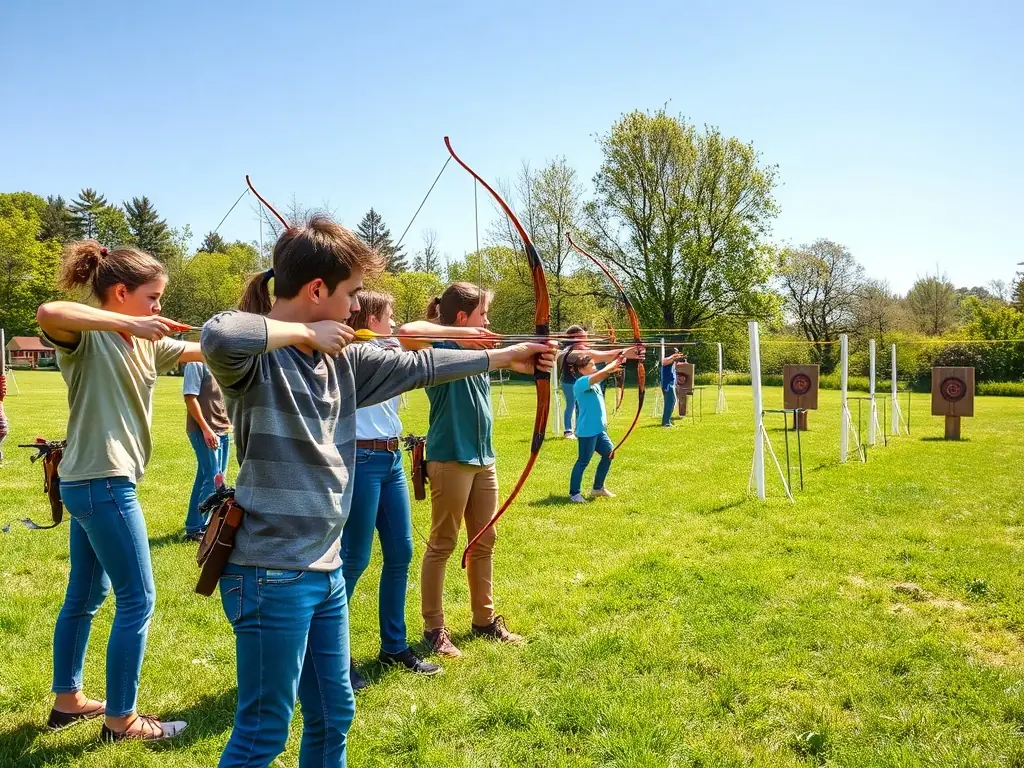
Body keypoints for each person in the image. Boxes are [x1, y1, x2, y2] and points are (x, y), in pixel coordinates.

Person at [201, 217, 555, 768]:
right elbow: (220, 333)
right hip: (270, 571)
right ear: (317, 289)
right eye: (348, 294)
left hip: (322, 568)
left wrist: (506, 356)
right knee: (263, 732)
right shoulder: (257, 360)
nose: (352, 307)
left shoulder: (346, 360)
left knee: (333, 715)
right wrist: (302, 333)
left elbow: (422, 365)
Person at [36, 240, 202, 742]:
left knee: (86, 594)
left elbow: (206, 348)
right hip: (102, 482)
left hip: (92, 483)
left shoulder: (149, 341)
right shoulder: (87, 337)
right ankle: (122, 719)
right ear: (121, 293)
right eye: (152, 298)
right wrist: (126, 323)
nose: (158, 309)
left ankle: (68, 701)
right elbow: (49, 311)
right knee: (138, 598)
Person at [341, 290, 454, 691]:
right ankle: (336, 657)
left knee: (401, 553)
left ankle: (393, 645)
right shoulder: (352, 352)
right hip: (360, 458)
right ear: (370, 320)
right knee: (353, 559)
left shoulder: (386, 350)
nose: (393, 324)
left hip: (389, 458)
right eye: (387, 317)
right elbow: (400, 339)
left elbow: (412, 346)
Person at [558, 326, 638, 438]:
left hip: (572, 381)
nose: (586, 338)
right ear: (575, 337)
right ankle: (569, 431)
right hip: (571, 382)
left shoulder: (572, 349)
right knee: (573, 405)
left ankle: (574, 430)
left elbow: (597, 352)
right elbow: (603, 355)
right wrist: (625, 351)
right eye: (583, 336)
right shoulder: (576, 351)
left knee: (577, 405)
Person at [568, 351, 626, 503]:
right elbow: (602, 374)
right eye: (591, 365)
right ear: (581, 370)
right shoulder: (581, 383)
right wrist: (614, 363)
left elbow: (604, 373)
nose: (594, 367)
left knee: (609, 454)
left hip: (599, 430)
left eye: (594, 364)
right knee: (583, 461)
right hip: (587, 430)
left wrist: (617, 362)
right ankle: (574, 494)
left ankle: (597, 488)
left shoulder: (594, 382)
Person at [183, 360, 231, 541]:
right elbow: (190, 397)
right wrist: (206, 429)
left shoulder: (219, 358)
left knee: (211, 477)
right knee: (213, 478)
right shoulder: (195, 363)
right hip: (205, 431)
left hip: (223, 428)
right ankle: (196, 527)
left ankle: (197, 525)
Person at [660, 348, 685, 426]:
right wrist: (674, 357)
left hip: (671, 384)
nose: (678, 354)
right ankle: (666, 422)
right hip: (667, 385)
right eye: (676, 353)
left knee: (671, 402)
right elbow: (663, 362)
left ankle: (667, 421)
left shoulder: (672, 361)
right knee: (670, 402)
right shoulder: (667, 360)